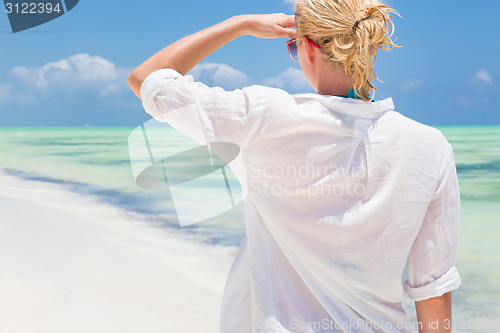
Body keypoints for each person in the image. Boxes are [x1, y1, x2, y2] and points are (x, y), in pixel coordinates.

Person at [128, 0, 461, 332]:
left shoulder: (264, 119)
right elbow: (432, 294)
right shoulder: (429, 145)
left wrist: (240, 24)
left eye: (294, 46)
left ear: (309, 49)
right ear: (368, 47)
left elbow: (147, 79)